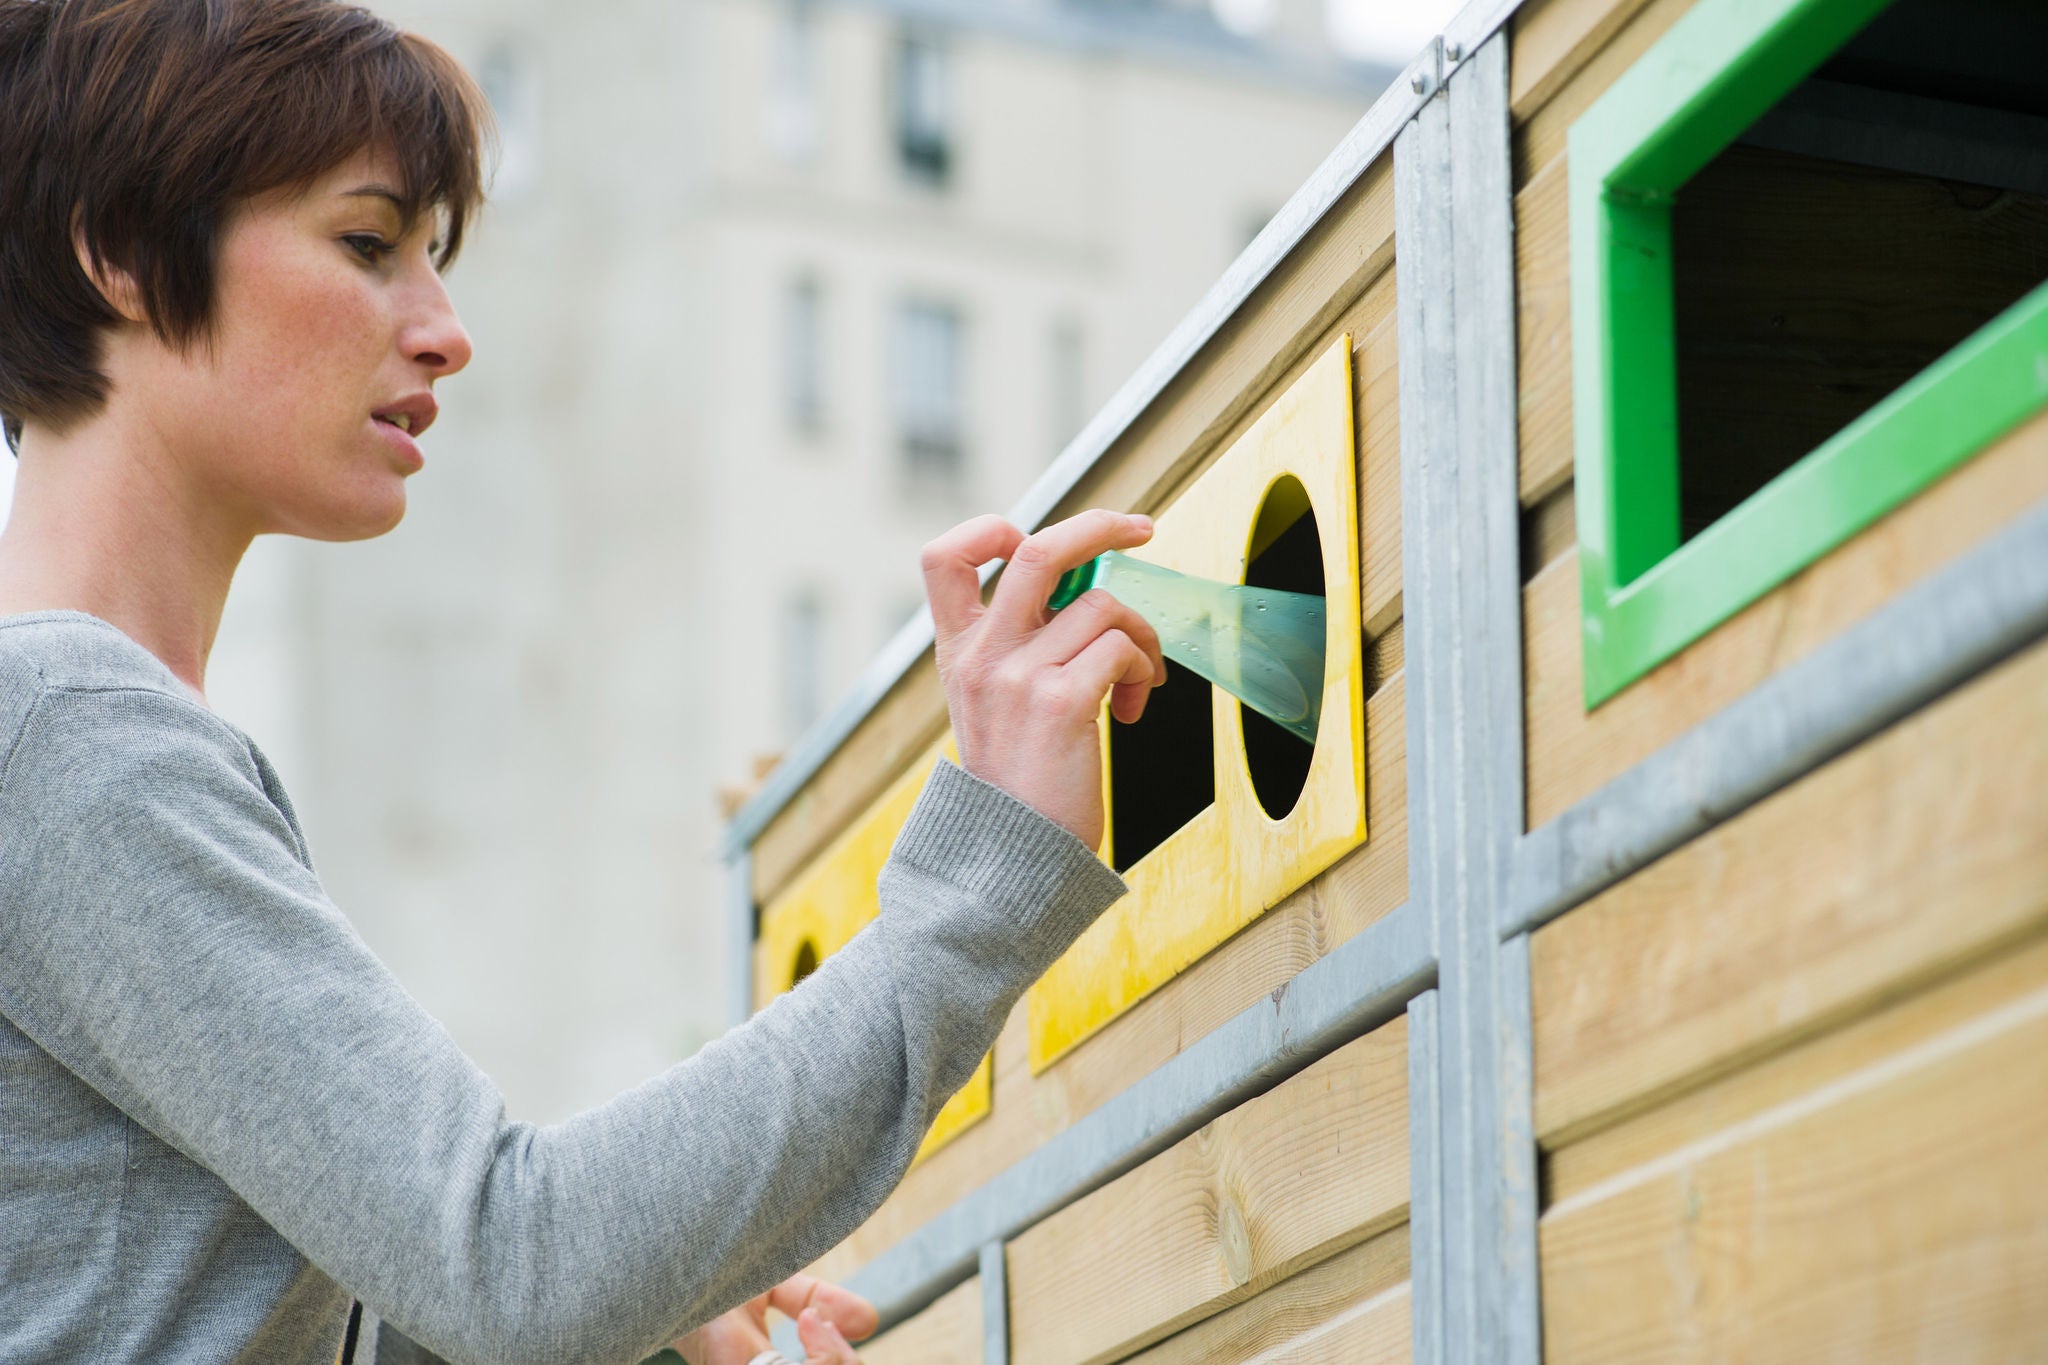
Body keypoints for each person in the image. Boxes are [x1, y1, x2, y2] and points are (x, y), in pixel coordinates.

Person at [0, 1, 1164, 1361]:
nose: (444, 329)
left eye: (434, 259)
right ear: (122, 256)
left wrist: (656, 1317)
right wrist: (987, 881)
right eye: (368, 244)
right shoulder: (73, 737)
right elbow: (515, 1258)